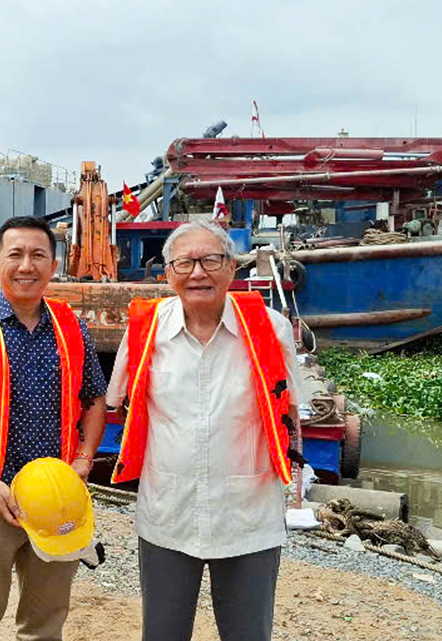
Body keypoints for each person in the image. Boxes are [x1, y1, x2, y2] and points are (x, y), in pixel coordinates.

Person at [104, 220, 306, 641]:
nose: (198, 273)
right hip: (167, 514)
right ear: (168, 272)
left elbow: (288, 412)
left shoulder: (270, 328)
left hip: (247, 515)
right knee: (162, 633)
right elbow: (111, 403)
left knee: (248, 634)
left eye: (211, 260)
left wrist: (296, 487)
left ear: (232, 268)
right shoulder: (146, 330)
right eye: (185, 263)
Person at [0, 216, 108, 641]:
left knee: (46, 622)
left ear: (53, 266)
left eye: (37, 255)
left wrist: (84, 460)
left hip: (59, 501)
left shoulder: (70, 325)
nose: (26, 265)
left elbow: (95, 399)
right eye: (15, 255)